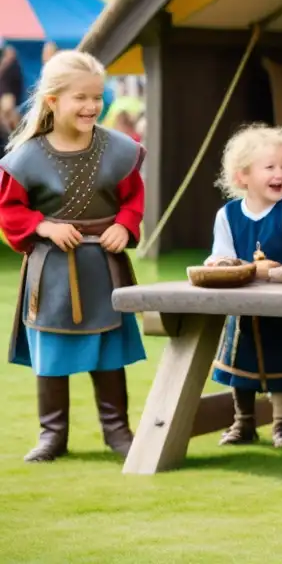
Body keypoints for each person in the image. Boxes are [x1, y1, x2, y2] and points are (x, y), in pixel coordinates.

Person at [0, 50, 146, 462]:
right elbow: (9, 209)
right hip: (52, 273)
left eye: (97, 97)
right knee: (52, 349)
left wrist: (124, 225)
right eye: (80, 97)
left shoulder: (119, 148)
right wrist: (42, 226)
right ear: (52, 101)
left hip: (104, 265)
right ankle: (52, 435)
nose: (91, 106)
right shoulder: (25, 157)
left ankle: (118, 431)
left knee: (108, 347)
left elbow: (133, 198)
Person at [205, 123, 282, 448]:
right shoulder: (227, 215)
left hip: (280, 306)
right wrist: (220, 263)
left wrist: (277, 271)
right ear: (243, 176)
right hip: (241, 307)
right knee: (241, 364)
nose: (279, 173)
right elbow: (221, 256)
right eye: (270, 167)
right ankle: (244, 422)